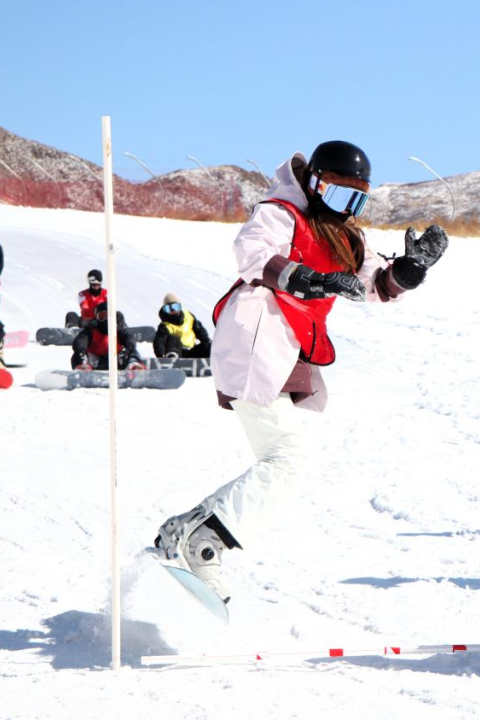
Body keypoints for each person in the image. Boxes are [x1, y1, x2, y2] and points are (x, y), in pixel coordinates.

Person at [154, 140, 448, 602]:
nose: (344, 207)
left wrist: (409, 270)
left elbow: (373, 284)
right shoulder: (281, 212)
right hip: (256, 338)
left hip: (289, 349)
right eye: (336, 194)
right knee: (286, 459)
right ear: (313, 183)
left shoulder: (346, 235)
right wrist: (309, 278)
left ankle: (190, 529)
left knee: (285, 459)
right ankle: (204, 541)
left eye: (356, 199)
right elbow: (251, 251)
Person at [70, 301, 143, 370]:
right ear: (97, 318)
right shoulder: (91, 330)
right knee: (77, 355)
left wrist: (126, 350)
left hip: (117, 360)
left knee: (133, 351)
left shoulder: (118, 330)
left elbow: (129, 338)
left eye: (109, 316)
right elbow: (80, 341)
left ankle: (133, 365)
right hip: (96, 362)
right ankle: (83, 367)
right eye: (102, 316)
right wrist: (81, 351)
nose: (106, 320)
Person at [152, 292, 211, 358]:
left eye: (175, 307)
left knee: (209, 346)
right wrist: (161, 355)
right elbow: (159, 341)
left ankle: (214, 360)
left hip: (191, 351)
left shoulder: (188, 316)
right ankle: (173, 357)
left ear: (180, 307)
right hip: (177, 352)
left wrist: (206, 341)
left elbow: (199, 330)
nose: (173, 311)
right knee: (174, 338)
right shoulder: (165, 326)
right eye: (169, 309)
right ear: (164, 310)